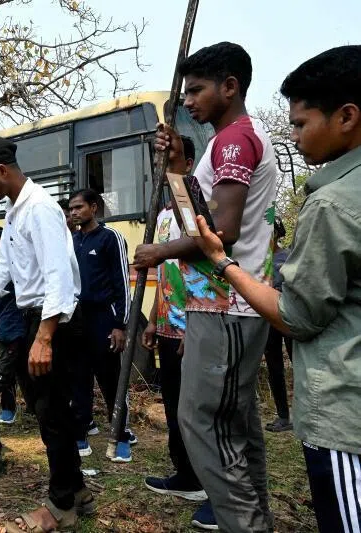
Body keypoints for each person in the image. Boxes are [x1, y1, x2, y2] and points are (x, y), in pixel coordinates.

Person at [190, 46, 361, 533]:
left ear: (347, 117)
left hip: (344, 409)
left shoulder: (331, 203)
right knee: (234, 421)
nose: (294, 136)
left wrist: (220, 262)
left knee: (206, 421)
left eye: (302, 124)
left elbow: (297, 316)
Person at [134, 42, 277, 532]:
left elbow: (223, 231)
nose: (189, 102)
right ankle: (254, 520)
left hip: (227, 304)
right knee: (235, 422)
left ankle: (242, 522)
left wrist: (159, 252)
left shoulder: (234, 140)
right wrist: (177, 166)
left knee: (202, 420)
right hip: (223, 304)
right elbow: (199, 213)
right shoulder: (227, 141)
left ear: (229, 86)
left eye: (197, 90)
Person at [0, 137, 94, 532]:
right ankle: (77, 490)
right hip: (37, 320)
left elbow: (58, 276)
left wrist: (44, 338)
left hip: (54, 322)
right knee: (51, 412)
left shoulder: (40, 208)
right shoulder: (15, 212)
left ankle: (61, 507)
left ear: (2, 171)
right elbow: (2, 270)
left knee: (51, 415)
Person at [142, 136, 207, 501]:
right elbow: (166, 274)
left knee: (192, 408)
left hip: (192, 328)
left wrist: (193, 325)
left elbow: (203, 274)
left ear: (188, 163)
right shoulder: (164, 215)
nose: (160, 170)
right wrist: (153, 318)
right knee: (172, 403)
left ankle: (201, 478)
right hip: (167, 327)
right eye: (157, 164)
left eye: (167, 163)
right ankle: (184, 473)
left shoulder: (195, 212)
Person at [68, 188, 135, 461]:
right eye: (71, 209)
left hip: (104, 319)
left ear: (93, 207)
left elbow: (122, 284)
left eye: (79, 207)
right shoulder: (72, 241)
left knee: (111, 379)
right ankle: (81, 431)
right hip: (77, 319)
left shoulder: (110, 238)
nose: (74, 213)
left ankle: (121, 434)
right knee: (78, 378)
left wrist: (120, 325)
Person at [0, 225, 26, 425]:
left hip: (11, 326)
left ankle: (5, 409)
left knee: (4, 371)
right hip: (0, 325)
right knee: (9, 370)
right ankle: (7, 409)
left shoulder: (13, 264)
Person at [263, 217, 293, 432]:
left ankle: (304, 412)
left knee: (299, 364)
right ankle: (283, 416)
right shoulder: (260, 261)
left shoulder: (289, 257)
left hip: (291, 319)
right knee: (274, 368)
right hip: (269, 320)